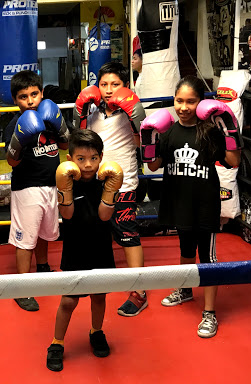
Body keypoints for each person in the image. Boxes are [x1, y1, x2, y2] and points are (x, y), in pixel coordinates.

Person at [143, 75, 241, 338]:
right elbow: (153, 166)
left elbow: (232, 161)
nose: (183, 107)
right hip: (179, 202)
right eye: (179, 101)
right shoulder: (169, 131)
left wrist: (230, 129)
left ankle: (209, 313)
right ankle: (185, 290)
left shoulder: (209, 131)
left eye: (190, 101)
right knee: (185, 249)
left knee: (207, 257)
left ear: (200, 103)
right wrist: (148, 138)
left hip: (205, 204)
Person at [73, 62, 148, 317]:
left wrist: (136, 115)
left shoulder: (130, 112)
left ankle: (139, 292)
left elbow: (144, 143)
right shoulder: (91, 111)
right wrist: (80, 111)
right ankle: (99, 281)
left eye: (114, 84)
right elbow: (79, 141)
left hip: (123, 183)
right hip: (94, 182)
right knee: (97, 231)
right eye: (103, 84)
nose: (108, 89)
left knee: (127, 234)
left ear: (124, 86)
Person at [46, 129, 123, 372]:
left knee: (99, 296)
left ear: (101, 157)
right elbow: (67, 215)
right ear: (70, 160)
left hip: (100, 246)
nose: (88, 165)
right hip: (75, 248)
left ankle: (96, 331)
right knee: (68, 301)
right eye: (81, 159)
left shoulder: (107, 180)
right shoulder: (67, 179)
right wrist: (64, 188)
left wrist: (111, 189)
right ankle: (56, 343)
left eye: (93, 158)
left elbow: (104, 215)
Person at [3, 70, 69, 312]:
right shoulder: (14, 125)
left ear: (41, 93)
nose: (30, 101)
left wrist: (59, 125)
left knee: (44, 233)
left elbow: (65, 144)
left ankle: (42, 269)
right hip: (27, 188)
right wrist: (20, 140)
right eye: (23, 97)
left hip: (51, 184)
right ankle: (22, 287)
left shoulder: (50, 118)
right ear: (15, 100)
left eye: (34, 94)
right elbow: (11, 162)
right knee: (25, 239)